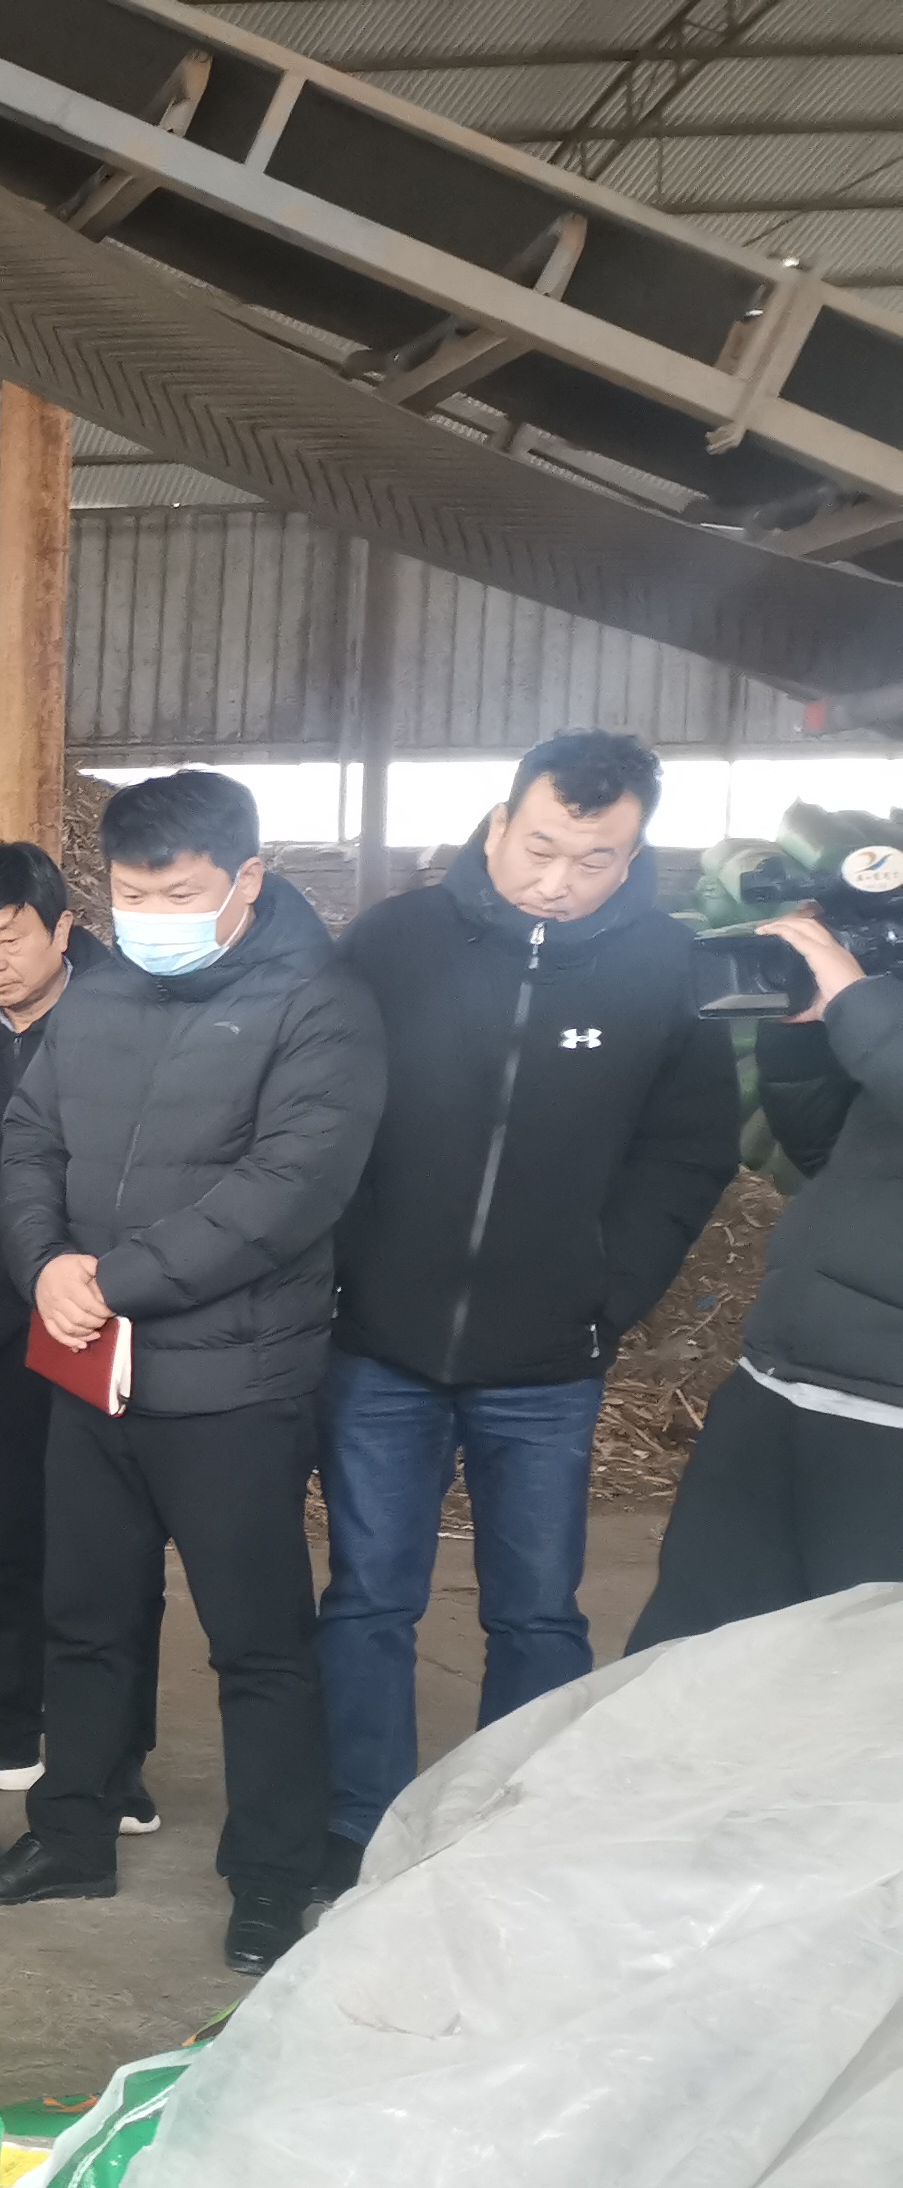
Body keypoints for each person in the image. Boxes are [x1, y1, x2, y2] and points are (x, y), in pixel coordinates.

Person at [0, 770, 386, 1976]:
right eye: (131, 894)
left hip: (232, 1385)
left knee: (257, 1643)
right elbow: (29, 1139)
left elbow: (287, 1192)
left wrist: (113, 1279)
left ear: (248, 878)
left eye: (180, 894)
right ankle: (73, 1834)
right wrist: (44, 1262)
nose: (151, 916)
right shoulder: (100, 992)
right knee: (88, 1618)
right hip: (90, 1370)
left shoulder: (320, 1007)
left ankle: (270, 1876)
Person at [321, 732, 734, 1883]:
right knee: (369, 1599)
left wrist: (609, 1294)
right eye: (541, 848)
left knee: (538, 1610)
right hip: (380, 1342)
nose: (558, 880)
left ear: (634, 854)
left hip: (550, 1358)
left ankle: (509, 1835)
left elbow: (688, 1153)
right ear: (499, 824)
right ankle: (357, 1827)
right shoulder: (395, 941)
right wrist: (340, 1269)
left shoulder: (668, 969)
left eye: (594, 860)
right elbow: (325, 1108)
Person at [0, 844, 162, 1833]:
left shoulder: (136, 1021)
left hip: (102, 1324)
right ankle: (5, 1726)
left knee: (110, 1551)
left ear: (62, 928)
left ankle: (113, 1756)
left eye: (11, 937)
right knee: (4, 1541)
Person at [628, 890, 903, 1645]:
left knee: (856, 1678)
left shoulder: (878, 1015)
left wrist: (860, 1006)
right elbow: (823, 1150)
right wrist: (805, 1033)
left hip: (887, 1419)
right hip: (781, 1381)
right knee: (692, 1656)